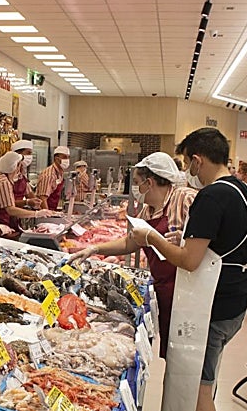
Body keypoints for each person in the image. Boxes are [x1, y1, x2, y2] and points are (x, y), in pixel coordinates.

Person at [137, 128, 247, 411]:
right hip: (232, 299)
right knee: (195, 381)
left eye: (188, 161)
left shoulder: (212, 196)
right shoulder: (243, 191)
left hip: (212, 304)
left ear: (197, 159)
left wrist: (151, 238)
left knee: (201, 388)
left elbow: (190, 261)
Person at [69, 152, 196, 356]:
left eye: (137, 182)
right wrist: (96, 249)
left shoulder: (185, 198)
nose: (135, 188)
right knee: (171, 353)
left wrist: (185, 239)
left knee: (186, 355)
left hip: (186, 289)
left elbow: (206, 239)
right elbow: (131, 242)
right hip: (163, 286)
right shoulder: (148, 210)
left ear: (150, 181)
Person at [0, 151, 54, 229]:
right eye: (19, 165)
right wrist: (36, 214)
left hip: (1, 221)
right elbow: (11, 210)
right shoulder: (3, 182)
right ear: (15, 167)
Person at [36, 146, 71, 211]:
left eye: (68, 157)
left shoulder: (60, 172)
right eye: (64, 157)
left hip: (52, 209)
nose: (67, 160)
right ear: (56, 159)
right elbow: (42, 198)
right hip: (43, 212)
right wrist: (48, 215)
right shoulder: (49, 175)